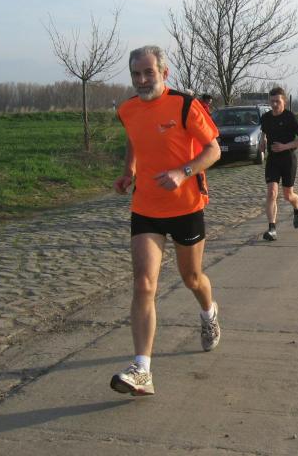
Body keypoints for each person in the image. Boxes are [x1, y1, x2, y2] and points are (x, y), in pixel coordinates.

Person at [110, 45, 222, 397]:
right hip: (146, 207)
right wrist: (128, 171)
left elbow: (214, 150)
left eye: (149, 73)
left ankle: (209, 313)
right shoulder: (128, 109)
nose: (142, 80)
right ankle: (142, 369)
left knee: (192, 278)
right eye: (136, 74)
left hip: (186, 206)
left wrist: (183, 172)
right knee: (144, 284)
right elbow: (134, 139)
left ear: (164, 72)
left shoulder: (185, 105)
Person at [259, 87, 298, 240]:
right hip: (273, 160)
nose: (274, 104)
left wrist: (285, 146)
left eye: (277, 102)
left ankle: (297, 207)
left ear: (284, 102)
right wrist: (262, 141)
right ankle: (272, 229)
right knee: (272, 193)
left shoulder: (290, 117)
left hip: (288, 160)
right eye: (272, 101)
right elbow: (264, 132)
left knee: (288, 195)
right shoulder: (266, 117)